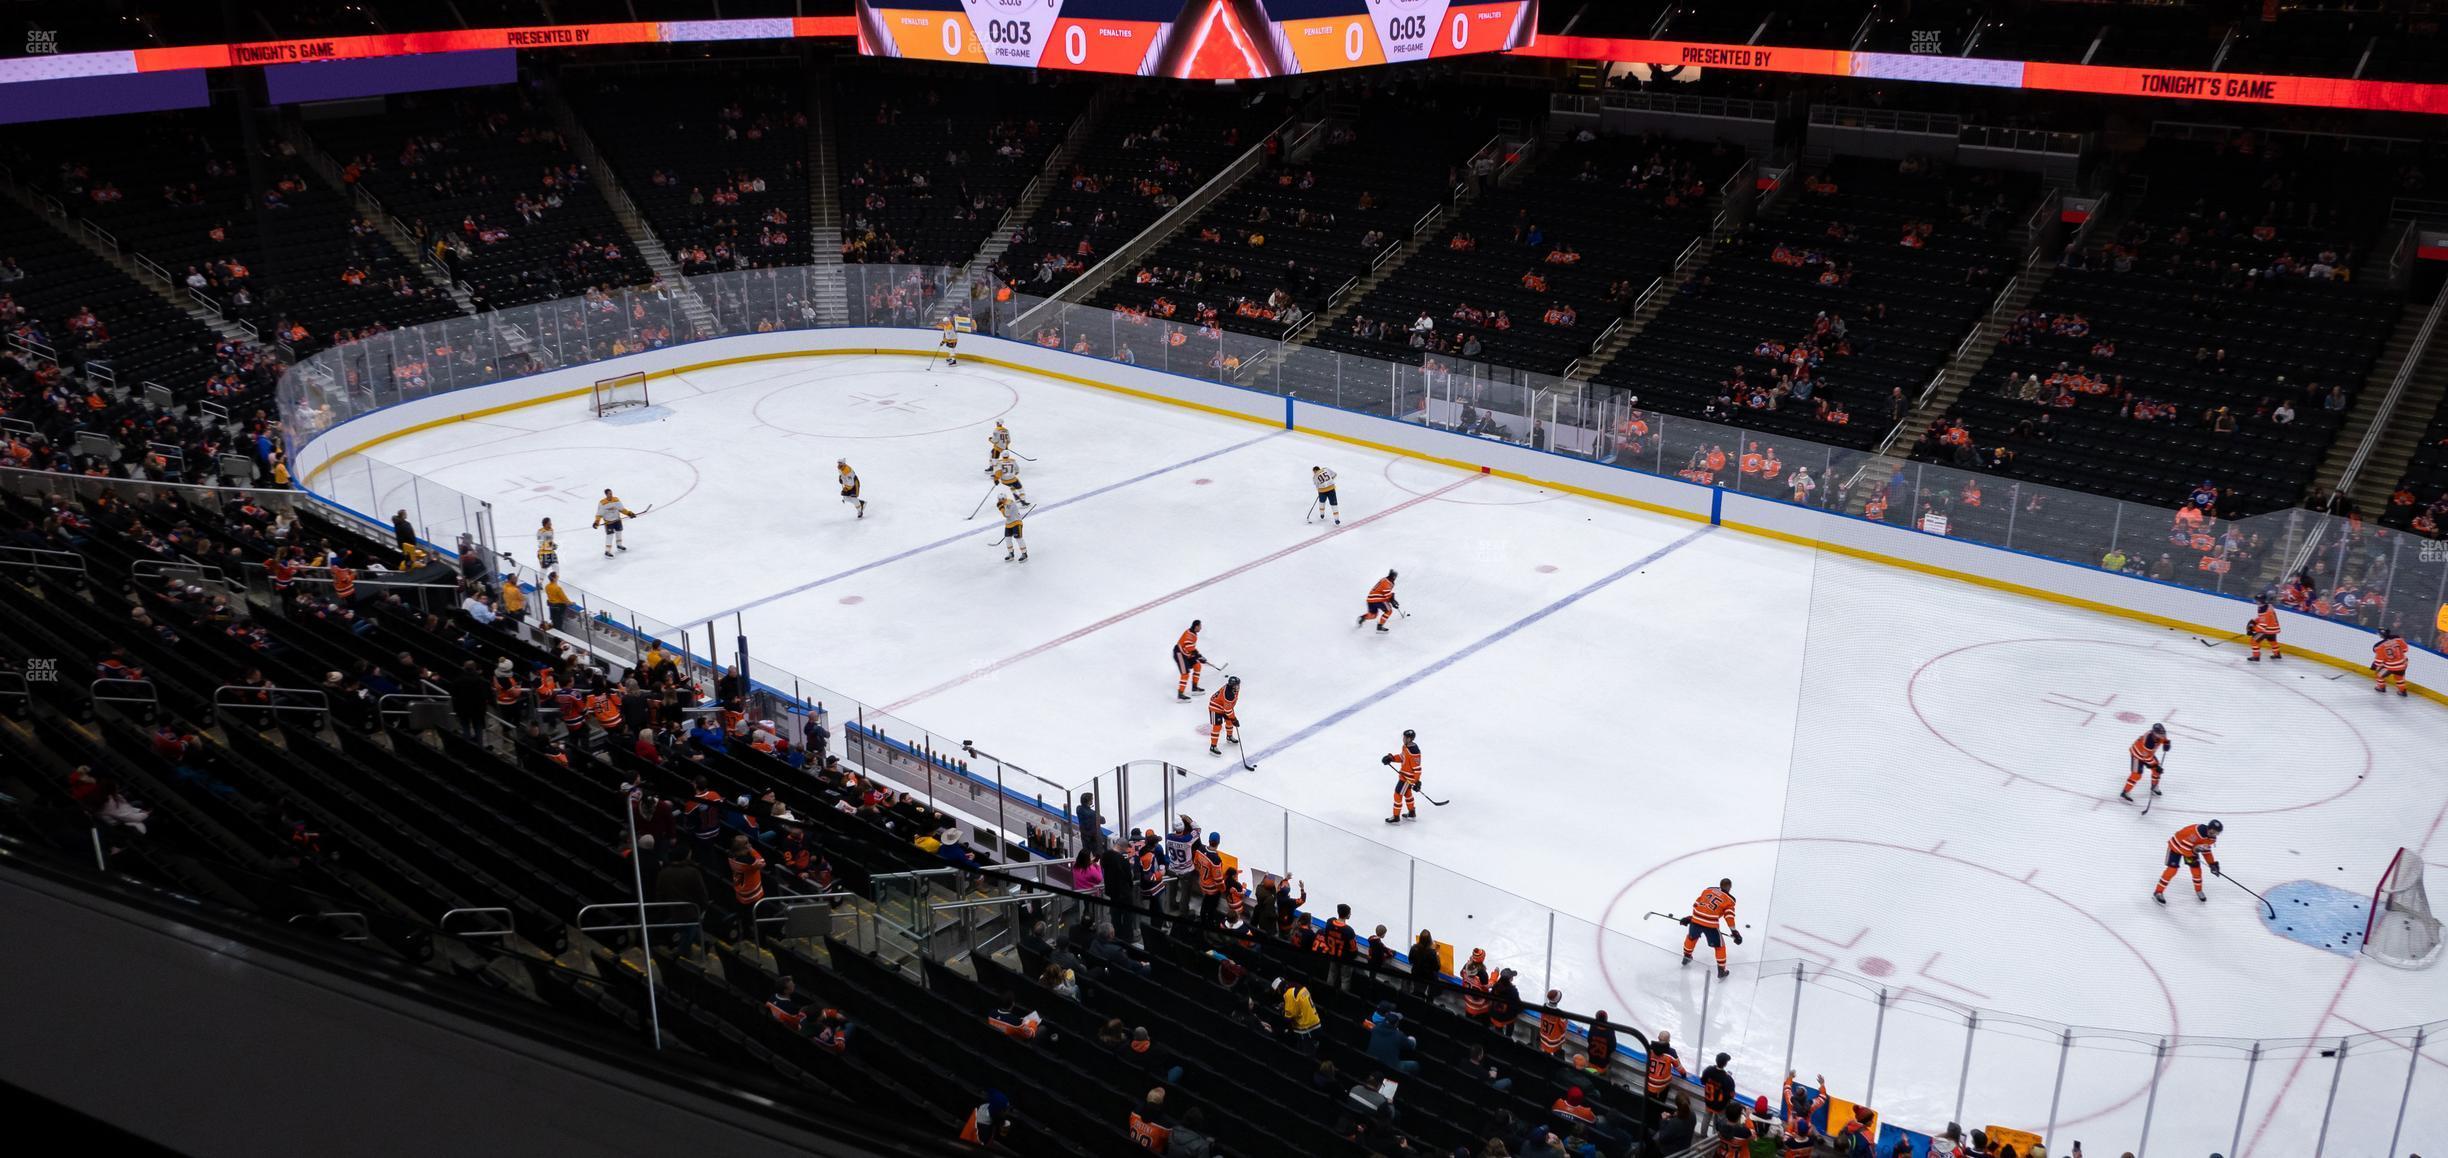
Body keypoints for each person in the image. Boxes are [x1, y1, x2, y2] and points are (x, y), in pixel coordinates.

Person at [1681, 878, 1742, 977]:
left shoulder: (1708, 890)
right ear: (1730, 887)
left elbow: (1697, 904)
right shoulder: (1730, 900)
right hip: (1710, 924)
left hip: (1696, 919)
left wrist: (1691, 918)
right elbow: (1729, 916)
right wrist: (1734, 932)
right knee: (1719, 946)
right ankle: (1721, 970)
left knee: (1691, 937)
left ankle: (1686, 957)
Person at [2155, 819, 2223, 903]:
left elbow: (2206, 851)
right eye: (2213, 831)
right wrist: (2194, 852)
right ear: (2208, 828)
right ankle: (2158, 892)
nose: (2214, 834)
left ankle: (2199, 890)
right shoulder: (2195, 834)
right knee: (2172, 870)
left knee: (2196, 871)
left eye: (2217, 833)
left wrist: (2212, 864)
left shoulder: (2212, 838)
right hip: (2175, 848)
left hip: (2190, 849)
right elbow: (2184, 849)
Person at [2121, 723, 2170, 802]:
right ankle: (2125, 792)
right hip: (2137, 755)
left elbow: (2164, 738)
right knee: (2136, 775)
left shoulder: (2158, 735)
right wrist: (2156, 766)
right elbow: (2147, 758)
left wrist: (2166, 742)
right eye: (2160, 734)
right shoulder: (2149, 742)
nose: (2162, 736)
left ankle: (2154, 787)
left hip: (2147, 755)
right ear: (2154, 733)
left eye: (2163, 734)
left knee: (2156, 771)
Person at [1383, 728, 1422, 824]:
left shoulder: (1414, 752)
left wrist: (1417, 782)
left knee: (1398, 794)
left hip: (1407, 779)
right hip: (1404, 776)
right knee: (1407, 794)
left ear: (1409, 739)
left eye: (1404, 737)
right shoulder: (1405, 747)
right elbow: (1402, 757)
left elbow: (1417, 769)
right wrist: (1391, 758)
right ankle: (1412, 813)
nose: (1403, 738)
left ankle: (1396, 817)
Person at [593, 489, 639, 556]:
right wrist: (596, 522)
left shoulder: (616, 500)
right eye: (609, 494)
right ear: (606, 494)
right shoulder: (602, 503)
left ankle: (619, 545)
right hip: (608, 522)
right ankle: (607, 551)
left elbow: (622, 509)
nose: (611, 495)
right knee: (610, 535)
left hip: (617, 520)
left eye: (611, 493)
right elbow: (599, 514)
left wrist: (629, 513)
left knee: (619, 532)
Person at [1206, 675, 1241, 756]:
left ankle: (1229, 737)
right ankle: (1213, 747)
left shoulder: (1233, 689)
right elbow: (1228, 710)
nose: (1238, 687)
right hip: (1215, 707)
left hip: (1224, 705)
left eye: (1238, 685)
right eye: (1236, 685)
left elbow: (1229, 706)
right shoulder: (1228, 694)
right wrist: (1234, 719)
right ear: (1232, 686)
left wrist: (1232, 719)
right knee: (1217, 726)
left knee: (1229, 721)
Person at [1173, 620, 1205, 701]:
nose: (1201, 628)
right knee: (1185, 673)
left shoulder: (1193, 634)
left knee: (1197, 666)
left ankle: (1194, 687)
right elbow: (1189, 647)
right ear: (1196, 626)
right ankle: (1180, 694)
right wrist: (1198, 656)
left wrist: (1200, 656)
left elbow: (1191, 648)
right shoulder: (1189, 634)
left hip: (1186, 654)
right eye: (1200, 626)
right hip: (1179, 654)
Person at [2374, 627, 2411, 696]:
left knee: (2378, 674)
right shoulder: (2398, 640)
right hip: (2402, 665)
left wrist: (2384, 661)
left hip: (2390, 667)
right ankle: (2402, 691)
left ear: (2381, 636)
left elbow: (2378, 662)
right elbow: (2405, 649)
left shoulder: (2380, 647)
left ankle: (2381, 687)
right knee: (2399, 677)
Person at [2246, 595, 2282, 661]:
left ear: (2260, 602)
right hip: (2274, 628)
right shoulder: (2268, 606)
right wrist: (2254, 621)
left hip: (2267, 630)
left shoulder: (2263, 610)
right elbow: (2263, 619)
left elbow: (2263, 625)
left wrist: (2252, 630)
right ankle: (2277, 654)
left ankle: (2256, 657)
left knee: (2254, 641)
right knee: (2272, 641)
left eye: (2256, 600)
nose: (2255, 602)